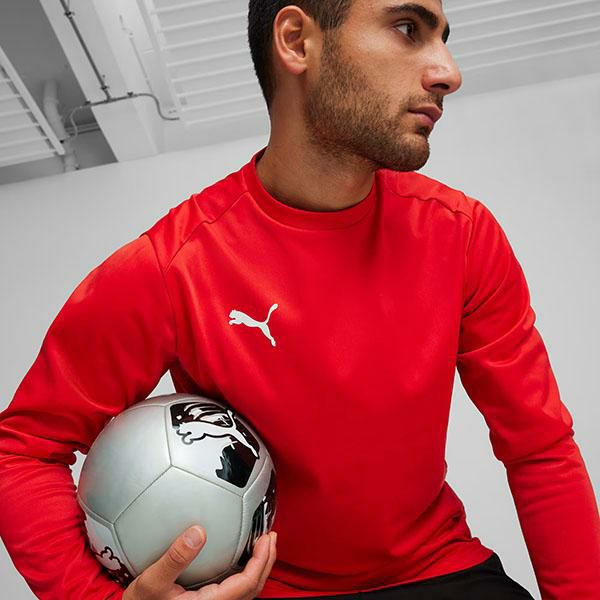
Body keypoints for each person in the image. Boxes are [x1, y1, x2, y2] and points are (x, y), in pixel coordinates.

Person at [0, 0, 599, 598]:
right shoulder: (171, 266)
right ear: (296, 40)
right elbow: (22, 451)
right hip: (263, 587)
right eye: (407, 28)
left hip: (439, 570)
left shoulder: (462, 234)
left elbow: (539, 448)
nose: (449, 71)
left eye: (443, 37)